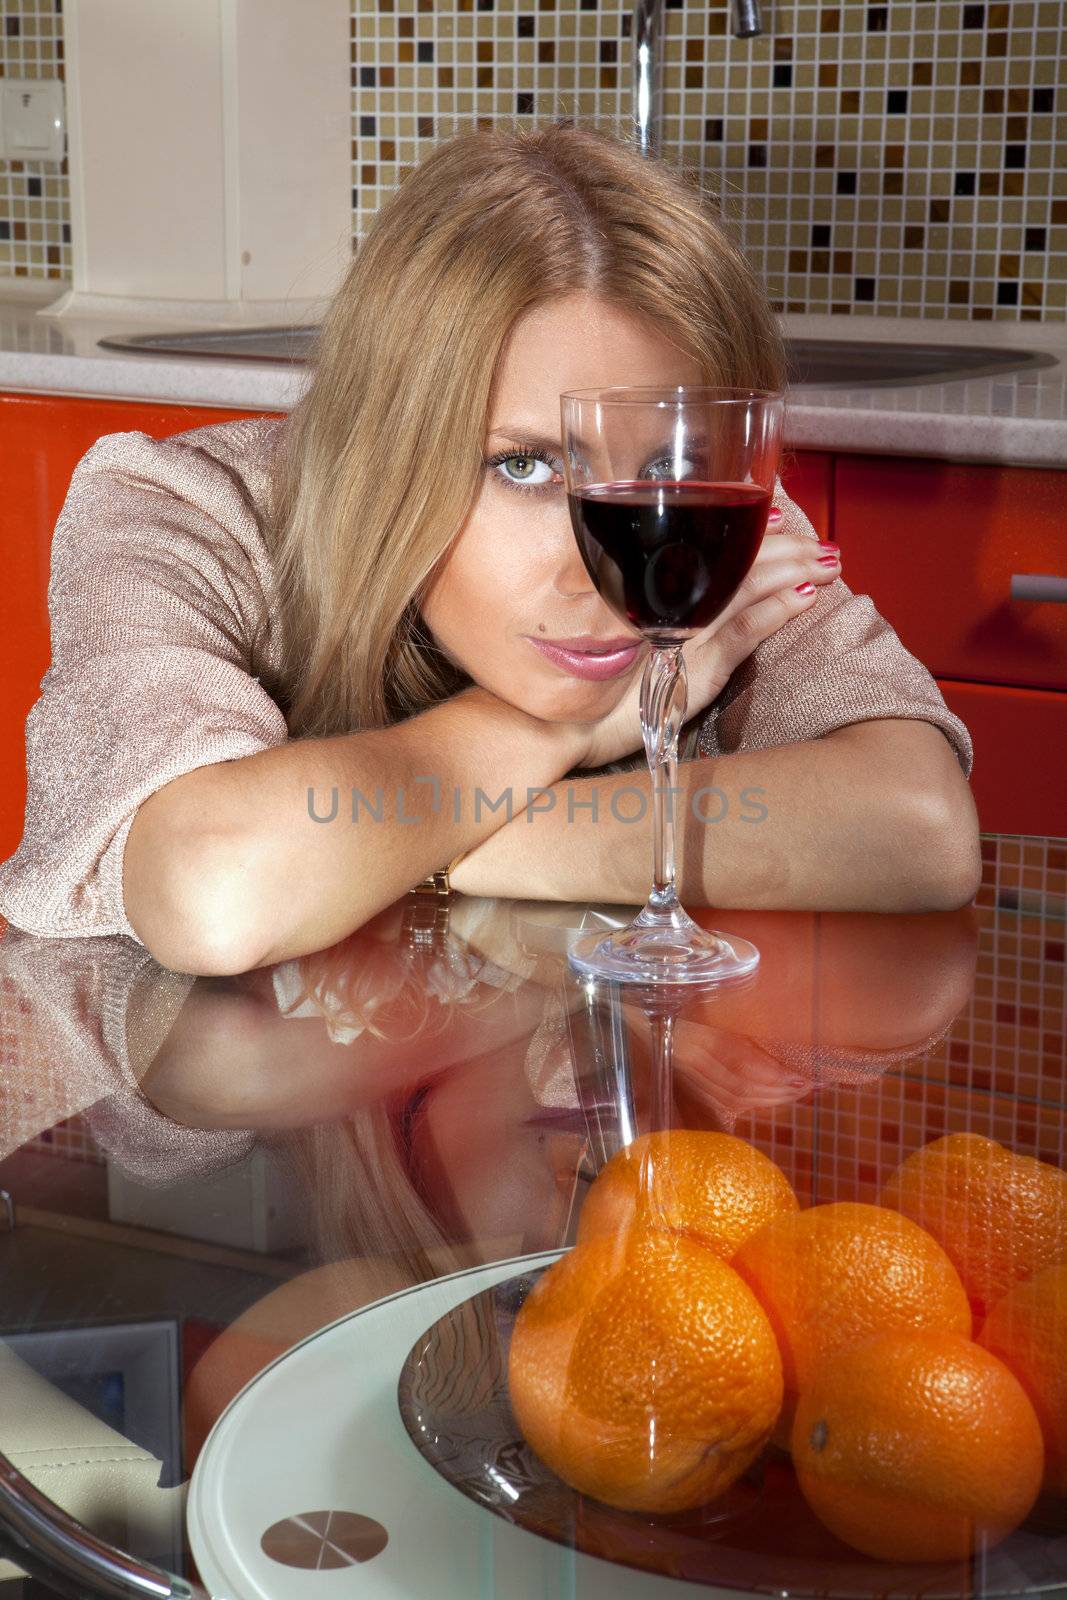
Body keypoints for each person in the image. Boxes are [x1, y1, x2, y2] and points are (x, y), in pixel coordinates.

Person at [0, 122, 980, 977]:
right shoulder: (182, 512)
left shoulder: (703, 530)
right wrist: (571, 727)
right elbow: (219, 889)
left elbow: (919, 830)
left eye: (665, 462)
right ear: (389, 448)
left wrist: (432, 847)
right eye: (522, 467)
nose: (612, 571)